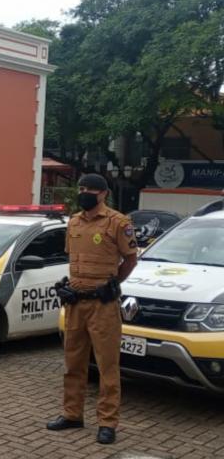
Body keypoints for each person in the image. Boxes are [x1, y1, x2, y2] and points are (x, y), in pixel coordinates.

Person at [47, 173, 138, 445]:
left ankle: (107, 422)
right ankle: (72, 414)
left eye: (89, 189)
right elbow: (73, 261)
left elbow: (131, 260)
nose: (83, 192)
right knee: (73, 363)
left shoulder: (118, 222)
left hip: (103, 305)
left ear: (103, 194)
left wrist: (112, 284)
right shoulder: (74, 222)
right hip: (76, 303)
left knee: (107, 366)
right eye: (81, 188)